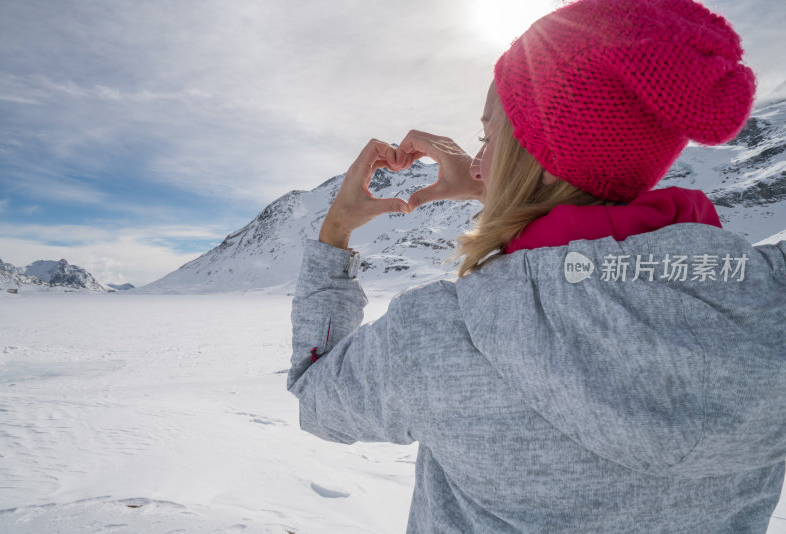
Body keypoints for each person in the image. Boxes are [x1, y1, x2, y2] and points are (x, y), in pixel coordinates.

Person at [288, 0, 786, 531]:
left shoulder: (442, 333)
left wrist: (336, 230)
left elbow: (317, 395)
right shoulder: (768, 298)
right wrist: (508, 189)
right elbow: (585, 246)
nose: (477, 162)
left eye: (488, 137)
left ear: (537, 159)